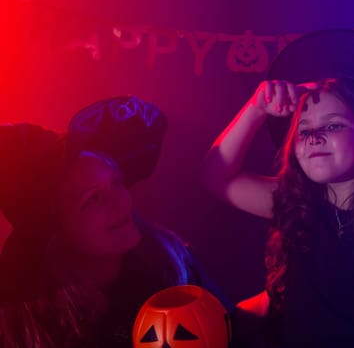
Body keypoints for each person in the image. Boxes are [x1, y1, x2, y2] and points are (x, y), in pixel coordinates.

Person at [202, 29, 354, 347]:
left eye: (333, 125)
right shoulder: (297, 203)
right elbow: (216, 177)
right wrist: (255, 109)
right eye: (304, 130)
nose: (314, 136)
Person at [0, 96, 228, 347]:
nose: (120, 202)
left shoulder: (173, 263)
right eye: (93, 199)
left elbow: (228, 330)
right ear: (55, 228)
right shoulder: (29, 317)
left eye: (116, 183)